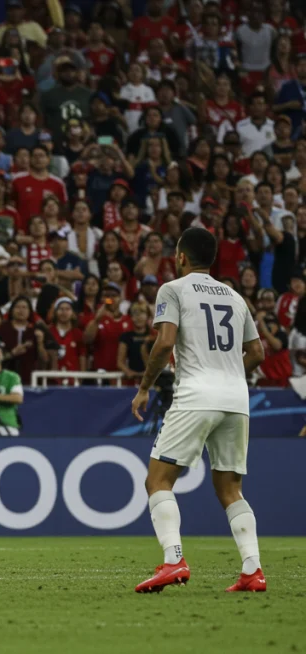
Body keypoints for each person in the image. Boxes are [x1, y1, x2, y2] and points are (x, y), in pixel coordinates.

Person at [130, 227, 266, 593]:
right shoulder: (237, 298)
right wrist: (230, 373)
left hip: (196, 394)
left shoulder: (172, 289)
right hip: (237, 399)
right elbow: (257, 354)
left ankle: (173, 560)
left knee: (157, 480)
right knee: (230, 489)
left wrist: (144, 387)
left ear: (181, 257)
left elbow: (165, 344)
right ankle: (253, 570)